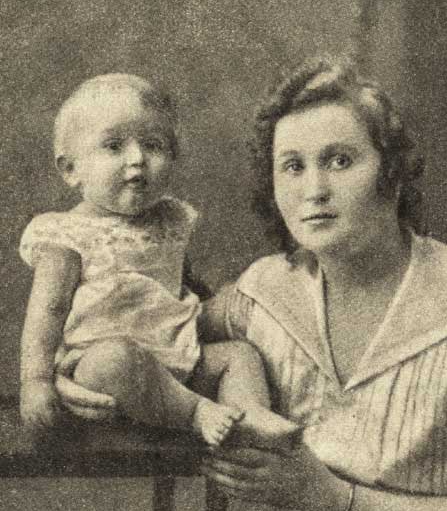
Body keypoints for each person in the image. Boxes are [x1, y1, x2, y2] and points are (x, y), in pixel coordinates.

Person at [195, 56, 447, 511]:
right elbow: (156, 335)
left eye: (339, 161)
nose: (314, 190)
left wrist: (329, 497)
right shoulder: (263, 292)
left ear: (392, 174)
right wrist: (74, 370)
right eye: (293, 166)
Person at [19, 73, 298, 449]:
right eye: (113, 146)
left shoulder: (169, 221)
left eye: (152, 145)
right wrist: (36, 380)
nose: (137, 159)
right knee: (114, 360)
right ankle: (197, 413)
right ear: (71, 169)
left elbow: (183, 284)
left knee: (239, 356)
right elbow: (47, 311)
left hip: (178, 356)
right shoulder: (67, 235)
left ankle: (249, 415)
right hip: (103, 367)